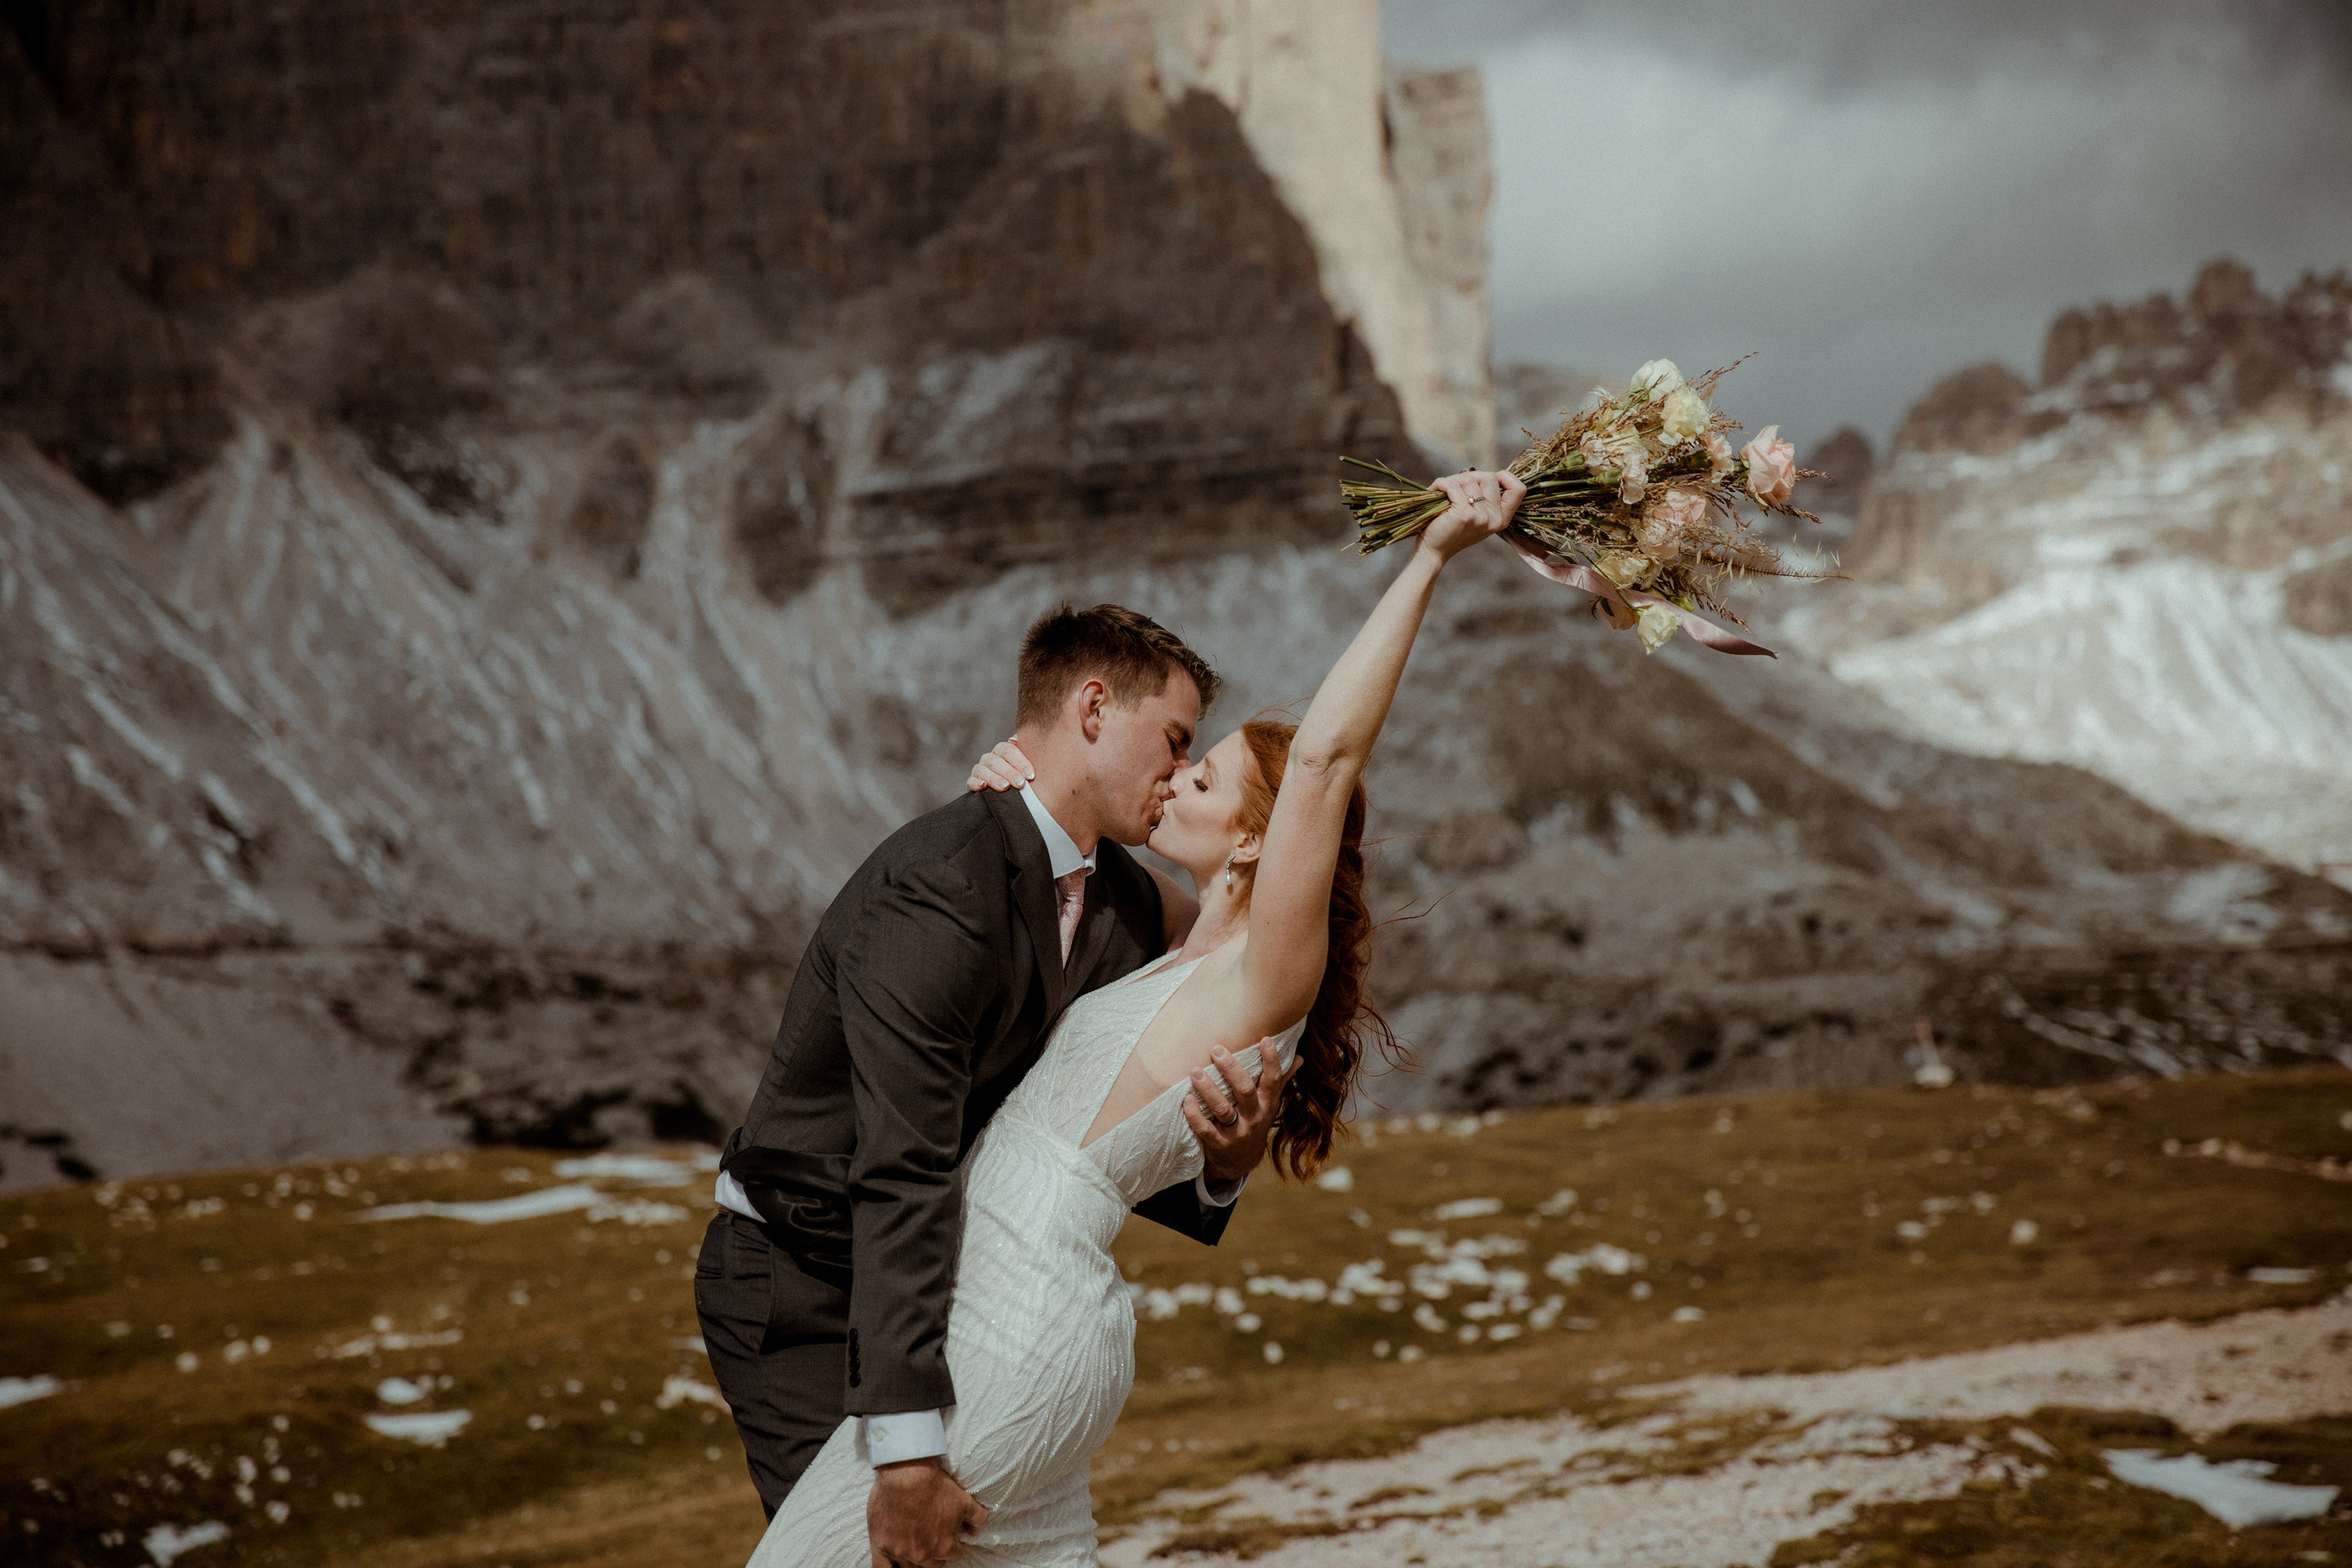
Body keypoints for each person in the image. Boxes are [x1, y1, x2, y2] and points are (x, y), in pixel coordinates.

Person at [748, 467, 1523, 1566]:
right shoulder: (1174, 929)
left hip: (1013, 1321)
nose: (1172, 785)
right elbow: (1049, 877)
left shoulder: (1266, 966)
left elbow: (1325, 759)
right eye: (1177, 755)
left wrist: (1433, 556)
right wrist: (1013, 791)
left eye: (1198, 777)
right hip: (1031, 1314)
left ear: (1260, 839)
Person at [698, 604, 1292, 1559]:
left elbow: (1199, 996)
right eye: (1175, 741)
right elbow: (903, 1168)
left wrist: (1225, 1162)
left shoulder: (1126, 898)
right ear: (1092, 709)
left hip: (946, 1288)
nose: (1180, 775)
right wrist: (903, 1459)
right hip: (804, 1280)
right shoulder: (942, 885)